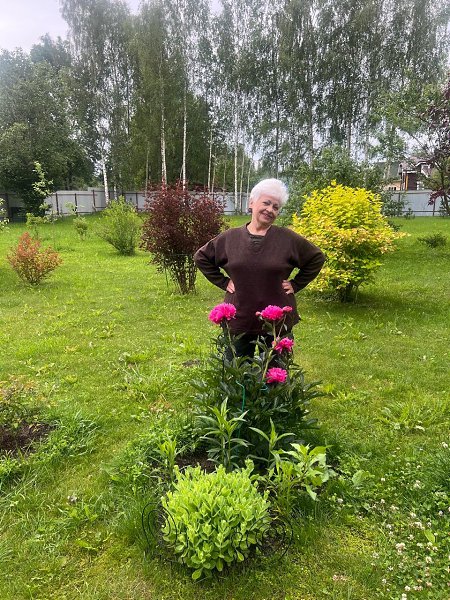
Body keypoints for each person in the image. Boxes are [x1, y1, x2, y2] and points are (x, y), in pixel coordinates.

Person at [194, 178, 325, 357]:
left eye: (276, 207)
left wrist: (296, 284)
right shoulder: (230, 238)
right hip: (239, 317)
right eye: (266, 203)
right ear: (252, 203)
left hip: (277, 321)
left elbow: (316, 258)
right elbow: (201, 257)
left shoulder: (287, 239)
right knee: (236, 369)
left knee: (275, 370)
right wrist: (223, 282)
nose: (270, 210)